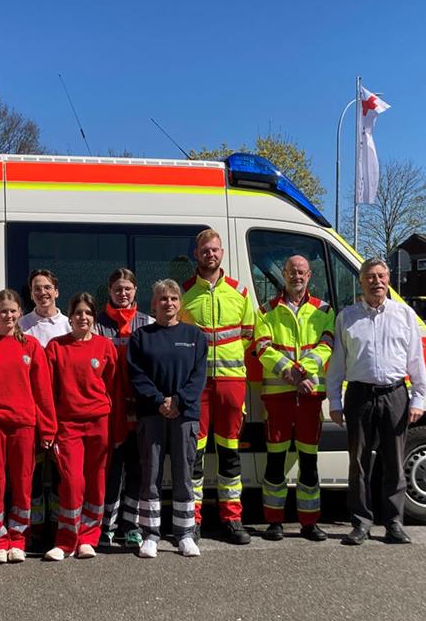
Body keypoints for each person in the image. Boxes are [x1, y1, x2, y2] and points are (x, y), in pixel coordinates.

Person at [327, 257, 426, 546]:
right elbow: (337, 363)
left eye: (381, 276)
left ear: (389, 279)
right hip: (359, 395)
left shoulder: (404, 315)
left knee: (394, 463)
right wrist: (334, 401)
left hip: (395, 394)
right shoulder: (347, 317)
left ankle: (394, 523)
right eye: (370, 277)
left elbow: (416, 359)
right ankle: (361, 523)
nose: (377, 282)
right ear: (361, 281)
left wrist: (418, 397)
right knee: (358, 464)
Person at [0, 289, 57, 564]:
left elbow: (43, 391)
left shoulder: (31, 346)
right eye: (2, 311)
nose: (8, 315)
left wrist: (48, 428)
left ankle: (18, 539)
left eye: (12, 311)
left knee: (22, 483)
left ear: (20, 312)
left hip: (24, 425)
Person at [180, 229, 255, 545]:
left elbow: (249, 333)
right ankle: (192, 521)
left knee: (229, 454)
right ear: (196, 254)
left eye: (214, 249)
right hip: (197, 386)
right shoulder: (184, 293)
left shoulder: (239, 292)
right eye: (204, 250)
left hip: (231, 383)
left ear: (222, 252)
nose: (210, 254)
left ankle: (232, 519)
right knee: (194, 456)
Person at [253, 255, 335, 542]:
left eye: (301, 272)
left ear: (309, 275)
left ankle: (309, 523)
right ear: (284, 274)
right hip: (278, 398)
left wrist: (304, 371)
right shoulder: (266, 311)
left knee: (309, 463)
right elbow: (262, 347)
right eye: (291, 271)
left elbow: (327, 344)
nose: (296, 276)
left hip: (310, 398)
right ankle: (274, 522)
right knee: (275, 462)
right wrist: (290, 372)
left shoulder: (324, 310)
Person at [127, 279, 207, 559]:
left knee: (184, 476)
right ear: (154, 304)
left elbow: (199, 377)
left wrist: (178, 402)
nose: (168, 303)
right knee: (151, 475)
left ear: (180, 303)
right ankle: (150, 535)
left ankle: (185, 534)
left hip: (185, 415)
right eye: (163, 299)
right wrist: (160, 401)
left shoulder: (195, 336)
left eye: (173, 298)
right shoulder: (141, 337)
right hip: (152, 414)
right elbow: (137, 375)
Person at [44, 293, 117, 561]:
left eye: (88, 313)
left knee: (96, 481)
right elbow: (47, 392)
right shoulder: (56, 347)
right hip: (68, 425)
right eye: (78, 313)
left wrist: (117, 427)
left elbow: (114, 387)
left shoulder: (105, 346)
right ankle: (65, 541)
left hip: (99, 422)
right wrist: (50, 428)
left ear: (94, 317)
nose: (82, 317)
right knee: (72, 482)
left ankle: (88, 538)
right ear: (70, 317)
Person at [94, 268, 151, 549]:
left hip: (140, 407)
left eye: (127, 288)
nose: (123, 293)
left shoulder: (148, 322)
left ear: (135, 290)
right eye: (117, 289)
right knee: (112, 470)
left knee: (137, 468)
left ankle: (132, 525)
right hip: (110, 407)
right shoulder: (97, 324)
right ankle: (107, 525)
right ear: (110, 291)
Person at [20, 269, 70, 544]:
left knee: (62, 470)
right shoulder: (22, 325)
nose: (43, 293)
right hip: (30, 406)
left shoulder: (68, 324)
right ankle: (36, 528)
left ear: (57, 291)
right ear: (31, 294)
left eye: (47, 287)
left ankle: (59, 526)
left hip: (62, 407)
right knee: (34, 472)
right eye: (37, 288)